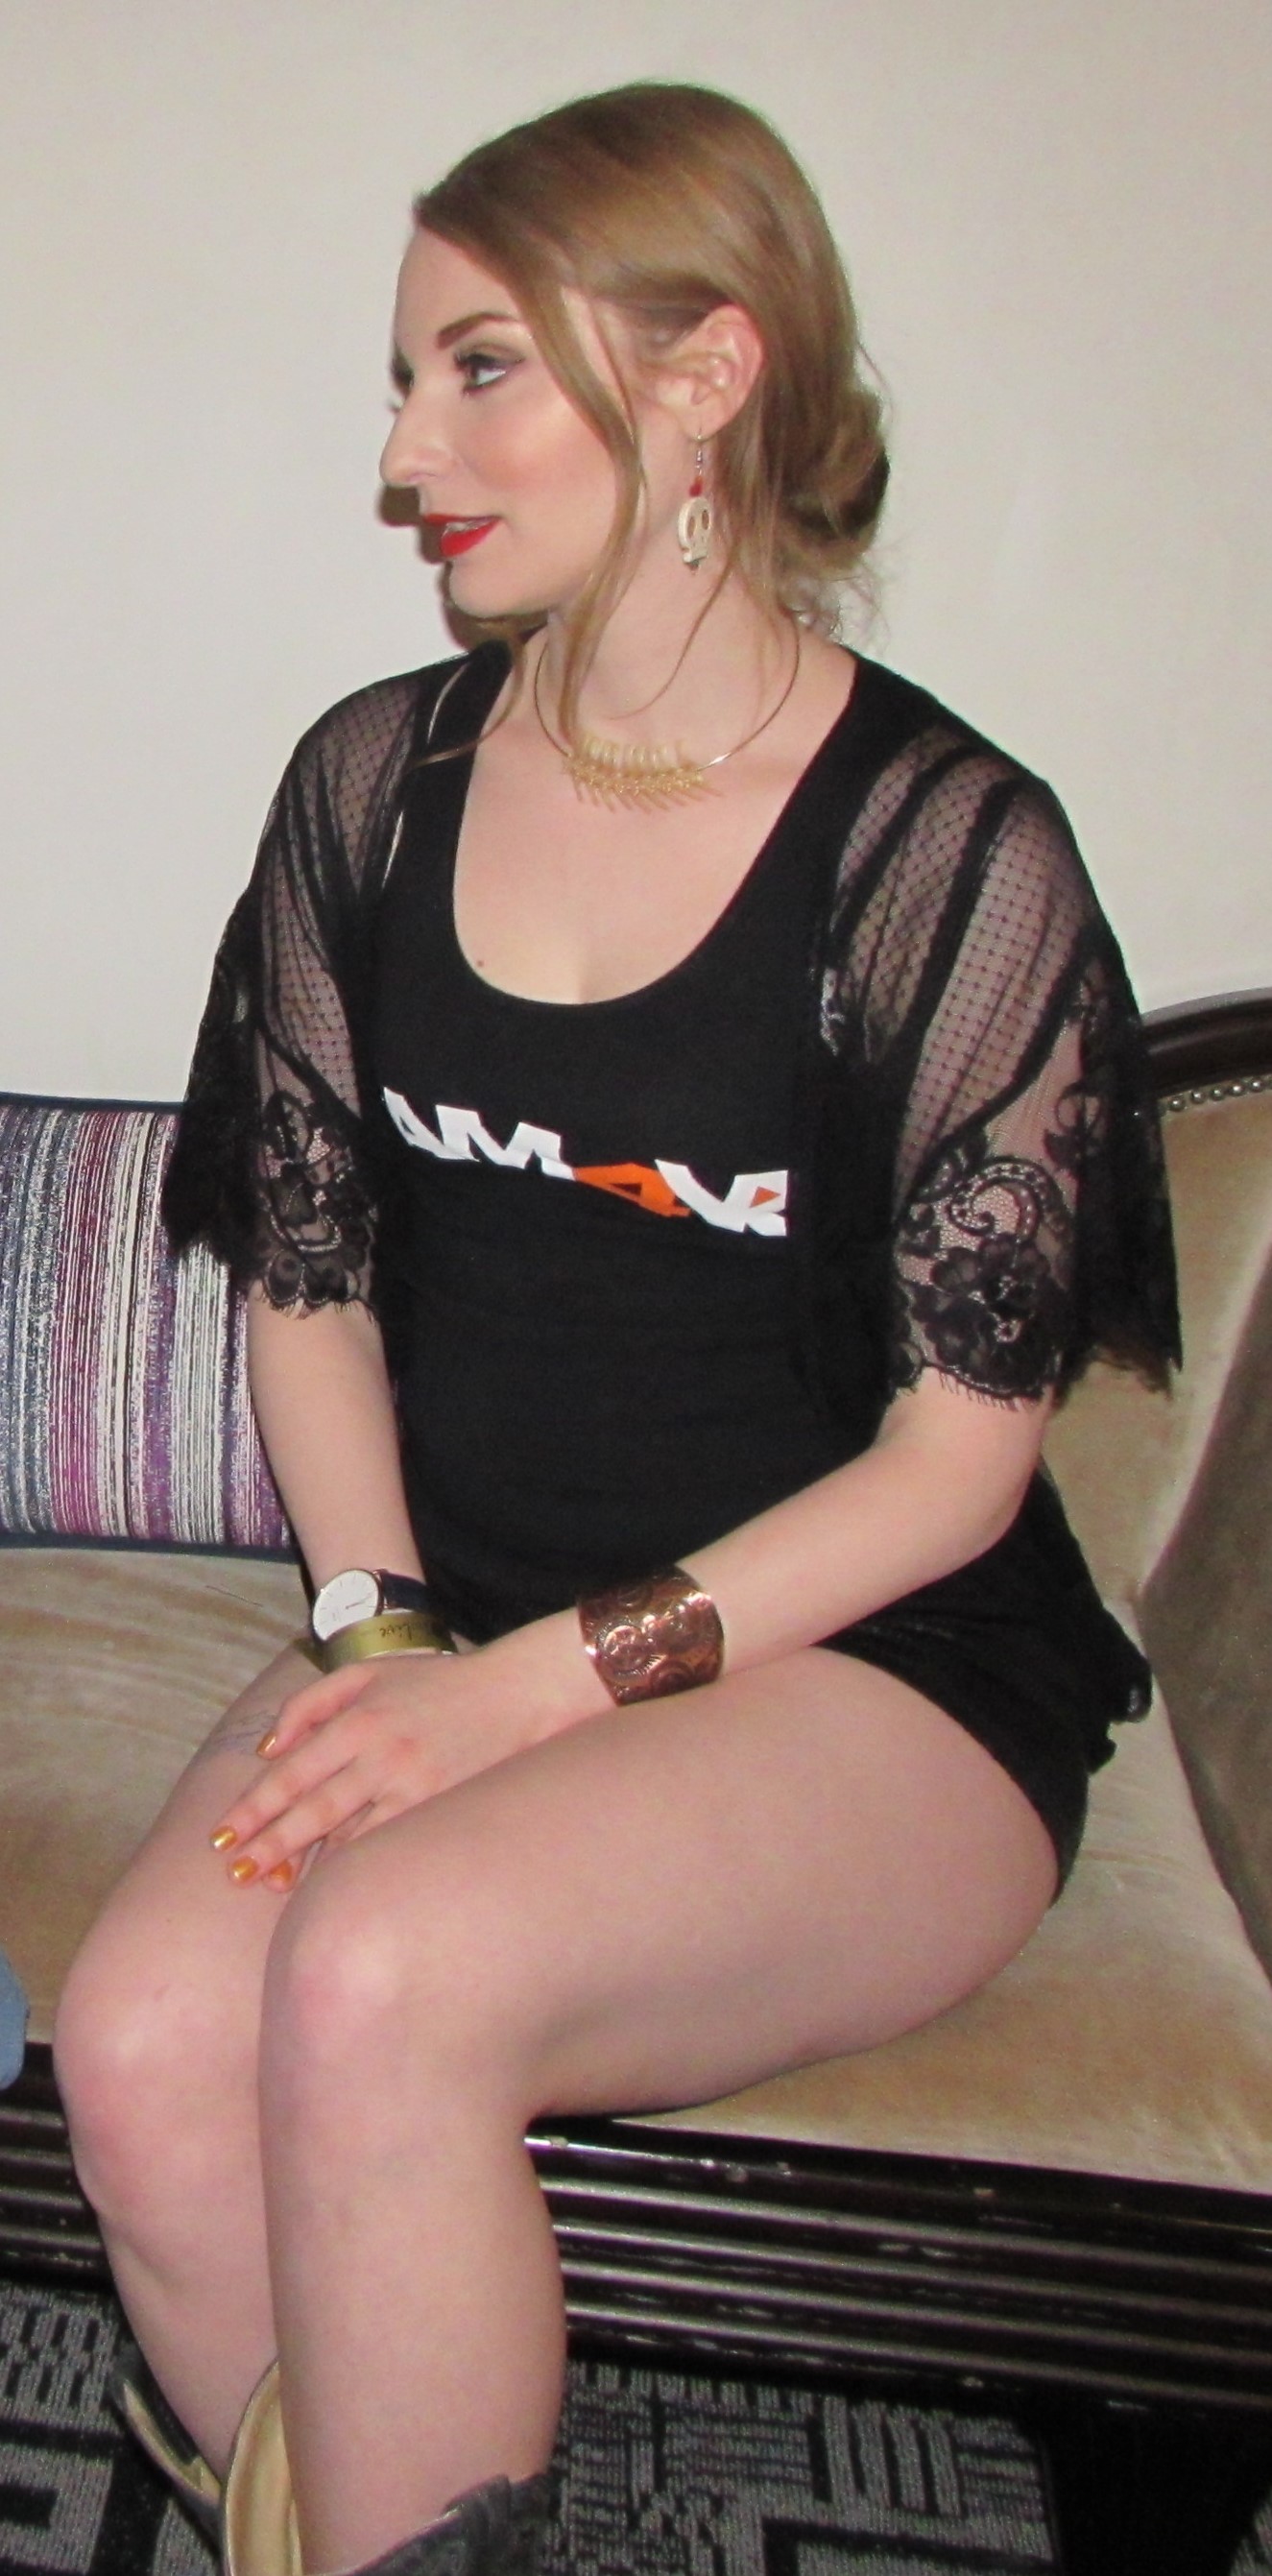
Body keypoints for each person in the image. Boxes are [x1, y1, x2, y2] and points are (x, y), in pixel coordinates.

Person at [52, 81, 1179, 2576]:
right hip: (451, 1615)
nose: (403, 453)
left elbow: (957, 1467)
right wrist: (386, 1636)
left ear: (703, 376)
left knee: (384, 1969)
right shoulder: (371, 788)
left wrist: (523, 1698)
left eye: (476, 370)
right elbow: (314, 1289)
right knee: (135, 2042)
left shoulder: (944, 855)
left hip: (868, 1673)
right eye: (403, 381)